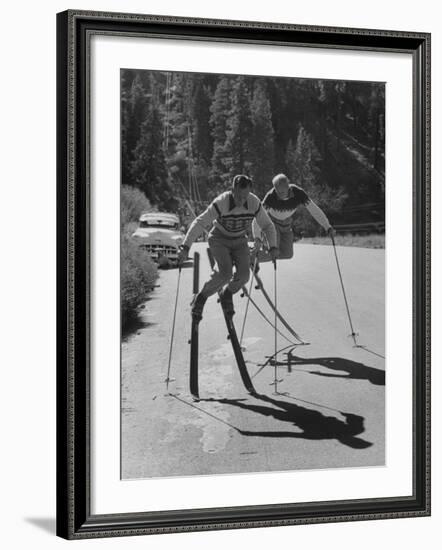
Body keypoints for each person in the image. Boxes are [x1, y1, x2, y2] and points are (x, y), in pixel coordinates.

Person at [177, 175, 278, 320]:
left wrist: (273, 246)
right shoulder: (221, 202)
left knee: (244, 276)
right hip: (219, 239)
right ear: (232, 190)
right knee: (225, 274)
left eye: (245, 196)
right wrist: (185, 247)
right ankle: (201, 297)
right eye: (238, 196)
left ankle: (227, 294)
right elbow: (200, 223)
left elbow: (267, 225)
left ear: (249, 192)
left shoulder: (254, 202)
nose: (241, 200)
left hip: (240, 241)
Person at [252, 173, 334, 262]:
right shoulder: (270, 196)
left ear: (288, 187)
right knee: (273, 251)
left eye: (282, 192)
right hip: (272, 223)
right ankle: (249, 258)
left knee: (288, 254)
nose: (279, 195)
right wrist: (257, 238)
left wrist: (327, 226)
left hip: (287, 224)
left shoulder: (298, 193)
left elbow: (314, 209)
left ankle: (255, 257)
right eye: (277, 191)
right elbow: (258, 218)